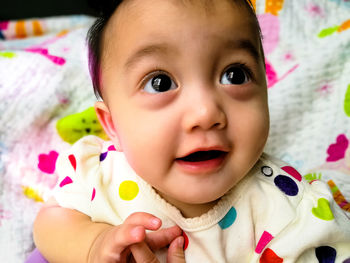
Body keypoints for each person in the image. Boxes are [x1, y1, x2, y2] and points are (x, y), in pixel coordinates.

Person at [33, 0, 350, 262]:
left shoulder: (289, 214)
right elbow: (50, 223)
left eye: (235, 75)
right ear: (113, 125)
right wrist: (91, 246)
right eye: (161, 83)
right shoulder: (99, 172)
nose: (206, 113)